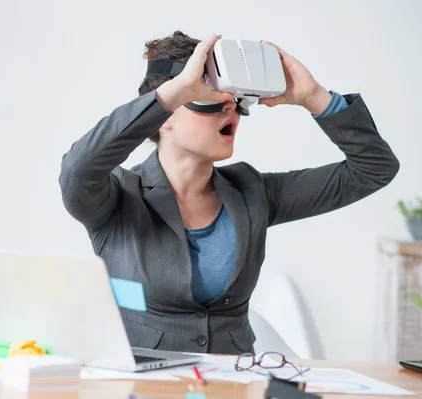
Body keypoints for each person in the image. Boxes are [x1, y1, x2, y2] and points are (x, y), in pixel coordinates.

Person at [58, 31, 399, 355]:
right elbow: (77, 170)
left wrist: (315, 98)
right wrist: (172, 94)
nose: (229, 108)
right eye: (205, 98)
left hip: (234, 385)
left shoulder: (252, 192)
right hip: (143, 384)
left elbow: (373, 168)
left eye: (234, 99)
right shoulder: (119, 196)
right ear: (165, 118)